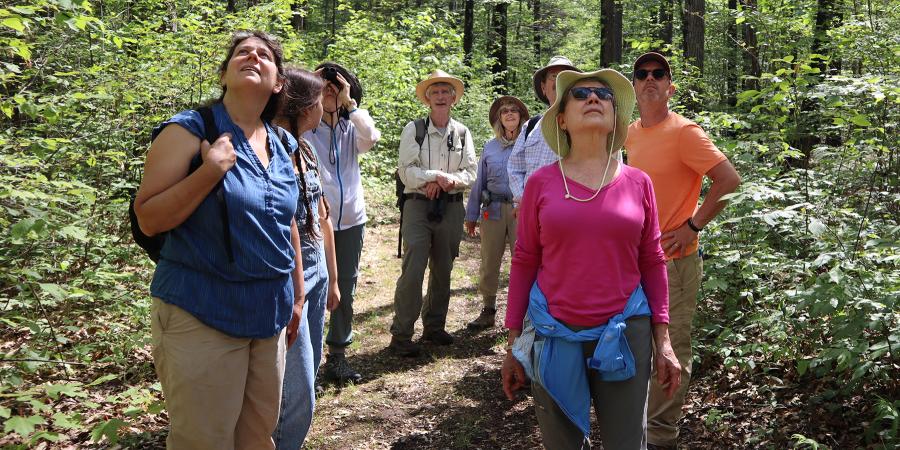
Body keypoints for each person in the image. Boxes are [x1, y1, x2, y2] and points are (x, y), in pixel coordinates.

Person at [133, 31, 302, 449]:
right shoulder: (190, 130)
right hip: (201, 310)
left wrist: (297, 296)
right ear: (224, 73)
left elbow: (288, 223)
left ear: (278, 82)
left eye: (264, 55)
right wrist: (210, 171)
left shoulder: (283, 142)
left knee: (257, 438)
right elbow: (149, 218)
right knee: (204, 442)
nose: (252, 56)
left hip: (269, 315)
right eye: (241, 52)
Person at [500, 68, 682, 449]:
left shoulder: (638, 183)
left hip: (625, 332)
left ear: (615, 117)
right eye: (580, 94)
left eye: (603, 95)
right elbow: (525, 260)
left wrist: (663, 342)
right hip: (553, 334)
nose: (593, 98)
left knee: (626, 443)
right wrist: (515, 343)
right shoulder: (541, 183)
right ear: (562, 119)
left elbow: (652, 259)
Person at [624, 52, 741, 450]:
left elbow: (729, 181)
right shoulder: (630, 133)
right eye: (642, 74)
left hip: (675, 263)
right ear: (634, 87)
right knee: (636, 342)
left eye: (659, 74)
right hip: (635, 263)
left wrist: (693, 224)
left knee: (672, 347)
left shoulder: (685, 132)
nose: (650, 79)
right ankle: (638, 427)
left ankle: (661, 437)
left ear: (670, 87)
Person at [272, 67, 341, 450]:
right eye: (316, 99)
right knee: (296, 390)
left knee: (308, 372)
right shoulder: (271, 148)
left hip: (315, 267)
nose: (322, 106)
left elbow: (322, 217)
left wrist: (331, 278)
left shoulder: (308, 150)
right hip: (288, 272)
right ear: (300, 105)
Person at [389, 70, 476, 357]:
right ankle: (401, 335)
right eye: (435, 92)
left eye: (445, 92)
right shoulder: (413, 129)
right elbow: (406, 170)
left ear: (453, 98)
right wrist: (435, 176)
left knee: (443, 268)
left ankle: (434, 327)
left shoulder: (462, 132)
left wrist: (449, 181)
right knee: (413, 269)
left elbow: (471, 172)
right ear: (427, 98)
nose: (440, 96)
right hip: (417, 204)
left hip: (450, 207)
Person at [304, 62, 381, 384]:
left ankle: (338, 355)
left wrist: (349, 103)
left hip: (350, 220)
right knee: (310, 288)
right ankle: (305, 361)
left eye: (337, 85)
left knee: (345, 288)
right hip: (311, 221)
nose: (331, 90)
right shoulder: (304, 128)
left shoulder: (352, 127)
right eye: (324, 85)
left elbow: (372, 137)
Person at [463, 95, 529, 329]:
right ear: (499, 119)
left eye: (514, 110)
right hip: (492, 210)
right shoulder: (490, 147)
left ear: (521, 116)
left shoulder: (529, 144)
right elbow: (479, 182)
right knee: (489, 260)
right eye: (504, 112)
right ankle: (488, 309)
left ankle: (524, 314)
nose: (509, 114)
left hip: (521, 210)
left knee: (523, 260)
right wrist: (471, 215)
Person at [506, 56, 580, 207]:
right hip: (531, 210)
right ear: (543, 87)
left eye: (565, 76)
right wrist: (523, 201)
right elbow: (515, 167)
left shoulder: (584, 126)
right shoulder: (531, 127)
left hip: (571, 211)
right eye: (554, 76)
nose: (559, 80)